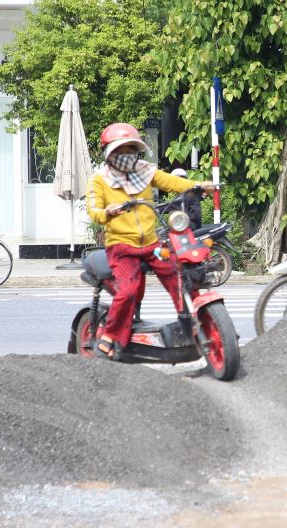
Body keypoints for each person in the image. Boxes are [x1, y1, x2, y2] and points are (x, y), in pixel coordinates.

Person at [87, 123, 214, 359]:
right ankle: (110, 336)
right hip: (121, 247)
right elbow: (93, 210)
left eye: (131, 149)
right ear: (109, 153)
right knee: (128, 290)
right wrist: (108, 211)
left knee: (179, 273)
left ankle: (194, 321)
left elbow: (172, 182)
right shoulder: (99, 180)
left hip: (152, 245)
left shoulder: (145, 170)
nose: (127, 155)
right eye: (121, 150)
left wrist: (197, 186)